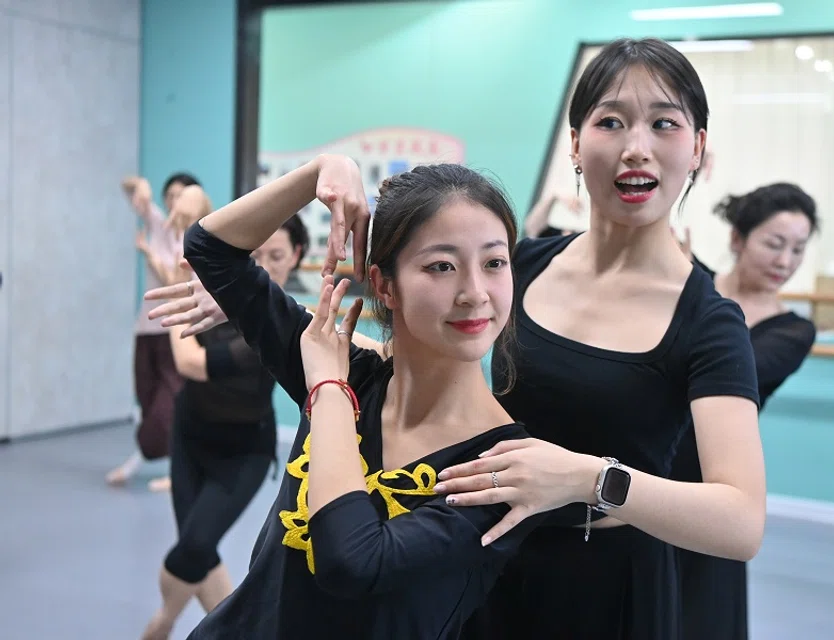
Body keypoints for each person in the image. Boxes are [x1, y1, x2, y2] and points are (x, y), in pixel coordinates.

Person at [312, 38, 765, 640]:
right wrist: (266, 315)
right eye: (611, 122)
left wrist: (588, 478)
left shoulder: (708, 320)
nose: (637, 148)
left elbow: (741, 522)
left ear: (697, 148)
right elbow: (422, 350)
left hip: (601, 592)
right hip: (472, 558)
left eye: (664, 124)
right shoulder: (520, 263)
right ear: (575, 145)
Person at [176, 158, 543, 639]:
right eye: (442, 266)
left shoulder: (501, 470)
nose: (475, 293)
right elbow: (212, 251)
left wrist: (328, 389)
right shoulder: (354, 372)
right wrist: (318, 175)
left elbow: (352, 560)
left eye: (494, 263)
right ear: (386, 285)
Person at [140, 200, 308, 640]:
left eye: (277, 256)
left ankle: (163, 621)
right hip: (190, 436)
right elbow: (196, 245)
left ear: (296, 257)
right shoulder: (217, 292)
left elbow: (191, 363)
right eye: (256, 255)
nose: (265, 266)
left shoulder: (282, 327)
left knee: (192, 548)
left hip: (244, 452)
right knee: (202, 551)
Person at [671, 183, 819, 640]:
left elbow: (731, 368)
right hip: (648, 452)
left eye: (798, 249)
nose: (785, 262)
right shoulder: (689, 280)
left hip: (715, 477)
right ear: (738, 238)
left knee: (698, 611)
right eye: (775, 244)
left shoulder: (793, 331)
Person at [107, 172, 201, 491]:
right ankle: (166, 460)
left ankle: (168, 466)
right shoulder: (159, 225)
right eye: (170, 195)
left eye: (182, 195)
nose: (175, 201)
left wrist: (148, 254)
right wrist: (139, 186)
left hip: (174, 331)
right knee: (147, 399)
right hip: (145, 329)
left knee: (168, 404)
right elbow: (130, 189)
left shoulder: (193, 237)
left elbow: (175, 285)